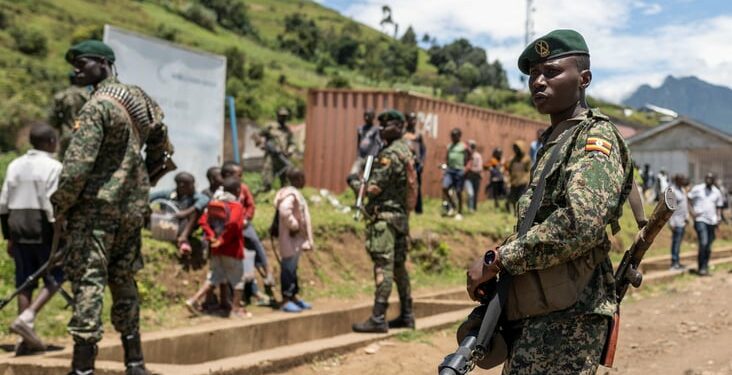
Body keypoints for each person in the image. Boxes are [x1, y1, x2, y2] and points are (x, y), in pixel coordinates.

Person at [466, 29, 634, 373]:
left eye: (552, 72)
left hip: (568, 322)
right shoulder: (556, 141)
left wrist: (499, 258)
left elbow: (580, 222)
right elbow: (541, 224)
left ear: (583, 79)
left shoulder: (594, 137)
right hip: (541, 312)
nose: (538, 82)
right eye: (533, 75)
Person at [50, 40, 174, 375]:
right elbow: (163, 149)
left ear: (104, 64)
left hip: (95, 212)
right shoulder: (141, 99)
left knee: (89, 283)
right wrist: (140, 180)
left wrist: (59, 205)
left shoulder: (96, 107)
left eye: (82, 63)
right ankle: (135, 363)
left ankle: (82, 370)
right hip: (131, 212)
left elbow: (76, 168)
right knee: (123, 281)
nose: (76, 69)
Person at [0, 123, 64, 353]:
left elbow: (4, 203)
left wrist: (8, 236)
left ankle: (25, 339)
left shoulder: (15, 165)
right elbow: (52, 203)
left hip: (17, 225)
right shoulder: (54, 167)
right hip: (42, 228)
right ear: (50, 143)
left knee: (24, 281)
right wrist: (60, 234)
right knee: (57, 273)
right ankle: (28, 318)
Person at [352, 109, 414, 333]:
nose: (381, 128)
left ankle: (378, 318)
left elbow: (373, 189)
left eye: (386, 124)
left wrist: (354, 182)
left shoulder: (389, 155)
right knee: (398, 268)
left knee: (384, 267)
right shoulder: (406, 152)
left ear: (398, 127)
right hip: (400, 218)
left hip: (385, 220)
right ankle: (407, 314)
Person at [188, 177, 250, 318]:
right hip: (232, 249)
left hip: (216, 249)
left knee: (213, 278)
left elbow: (203, 221)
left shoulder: (215, 203)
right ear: (237, 190)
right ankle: (235, 309)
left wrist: (212, 238)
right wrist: (222, 240)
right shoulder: (236, 206)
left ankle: (193, 300)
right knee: (238, 280)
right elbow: (234, 224)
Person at [218, 161, 275, 306]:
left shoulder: (243, 188)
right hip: (231, 230)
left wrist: (246, 219)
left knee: (255, 243)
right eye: (239, 175)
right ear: (228, 175)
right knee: (238, 259)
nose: (241, 178)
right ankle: (244, 294)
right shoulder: (220, 192)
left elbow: (250, 205)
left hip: (244, 225)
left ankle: (267, 270)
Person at [274, 168, 314, 313]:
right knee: (288, 268)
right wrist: (294, 225)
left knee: (292, 268)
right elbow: (285, 210)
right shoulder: (290, 194)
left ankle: (293, 297)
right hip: (290, 238)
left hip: (295, 240)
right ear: (297, 180)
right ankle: (286, 299)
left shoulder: (294, 193)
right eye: (302, 178)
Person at [149, 172, 209, 258]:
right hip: (168, 224)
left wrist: (185, 212)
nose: (193, 187)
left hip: (186, 225)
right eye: (190, 185)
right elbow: (149, 197)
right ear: (181, 185)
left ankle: (183, 237)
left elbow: (204, 200)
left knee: (196, 211)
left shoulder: (194, 196)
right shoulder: (169, 194)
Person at [688, 173, 725, 276]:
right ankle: (701, 268)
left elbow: (718, 206)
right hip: (700, 219)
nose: (709, 180)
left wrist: (719, 218)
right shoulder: (697, 189)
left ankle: (704, 266)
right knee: (703, 242)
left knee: (708, 245)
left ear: (713, 180)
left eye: (711, 179)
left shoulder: (717, 192)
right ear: (704, 179)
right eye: (707, 178)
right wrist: (692, 212)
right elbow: (688, 198)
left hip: (712, 221)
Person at [48, 73, 89, 160]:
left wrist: (58, 126)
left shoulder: (61, 96)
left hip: (66, 134)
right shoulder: (88, 96)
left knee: (63, 162)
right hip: (85, 134)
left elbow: (52, 118)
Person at [257, 107, 296, 192]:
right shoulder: (270, 127)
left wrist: (290, 150)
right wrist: (262, 144)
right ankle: (265, 195)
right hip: (271, 157)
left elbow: (292, 143)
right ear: (277, 115)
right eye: (281, 116)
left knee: (285, 181)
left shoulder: (287, 130)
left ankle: (283, 196)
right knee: (267, 179)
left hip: (282, 157)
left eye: (285, 116)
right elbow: (257, 135)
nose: (283, 118)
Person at [347, 109, 382, 185]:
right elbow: (359, 143)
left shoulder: (376, 130)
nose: (366, 117)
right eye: (365, 115)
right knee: (351, 176)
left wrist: (374, 156)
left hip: (370, 158)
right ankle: (358, 191)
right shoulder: (360, 129)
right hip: (361, 157)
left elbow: (377, 144)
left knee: (367, 178)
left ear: (373, 117)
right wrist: (358, 154)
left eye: (368, 115)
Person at [442, 128, 470, 219]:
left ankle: (460, 212)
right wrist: (445, 165)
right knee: (445, 187)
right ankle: (453, 205)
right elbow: (447, 157)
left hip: (459, 170)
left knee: (458, 191)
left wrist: (466, 169)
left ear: (459, 136)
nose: (453, 137)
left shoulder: (464, 146)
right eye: (452, 136)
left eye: (455, 136)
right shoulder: (449, 146)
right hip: (450, 170)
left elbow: (469, 158)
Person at [403, 112, 425, 214]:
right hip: (405, 162)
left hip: (416, 164)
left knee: (417, 186)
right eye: (411, 119)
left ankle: (418, 209)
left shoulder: (418, 134)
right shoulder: (403, 133)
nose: (413, 122)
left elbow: (423, 150)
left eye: (414, 119)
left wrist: (422, 162)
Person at [668, 174, 689, 270]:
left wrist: (687, 216)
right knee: (676, 243)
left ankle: (677, 262)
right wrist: (671, 222)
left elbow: (685, 204)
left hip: (682, 221)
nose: (684, 181)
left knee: (679, 242)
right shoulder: (672, 191)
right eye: (682, 179)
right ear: (677, 180)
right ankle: (674, 263)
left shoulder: (682, 190)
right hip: (676, 222)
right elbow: (670, 208)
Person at [506, 140, 531, 214]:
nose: (516, 150)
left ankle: (520, 212)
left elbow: (528, 170)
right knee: (513, 198)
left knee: (521, 199)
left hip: (522, 182)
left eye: (518, 148)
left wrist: (527, 179)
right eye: (515, 148)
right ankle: (514, 211)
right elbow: (510, 169)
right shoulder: (513, 160)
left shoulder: (526, 159)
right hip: (514, 182)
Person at [464, 140, 483, 212]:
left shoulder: (477, 156)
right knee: (470, 193)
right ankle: (470, 208)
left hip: (476, 177)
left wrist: (470, 168)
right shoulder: (466, 156)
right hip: (468, 177)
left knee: (475, 193)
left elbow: (479, 168)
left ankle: (473, 208)